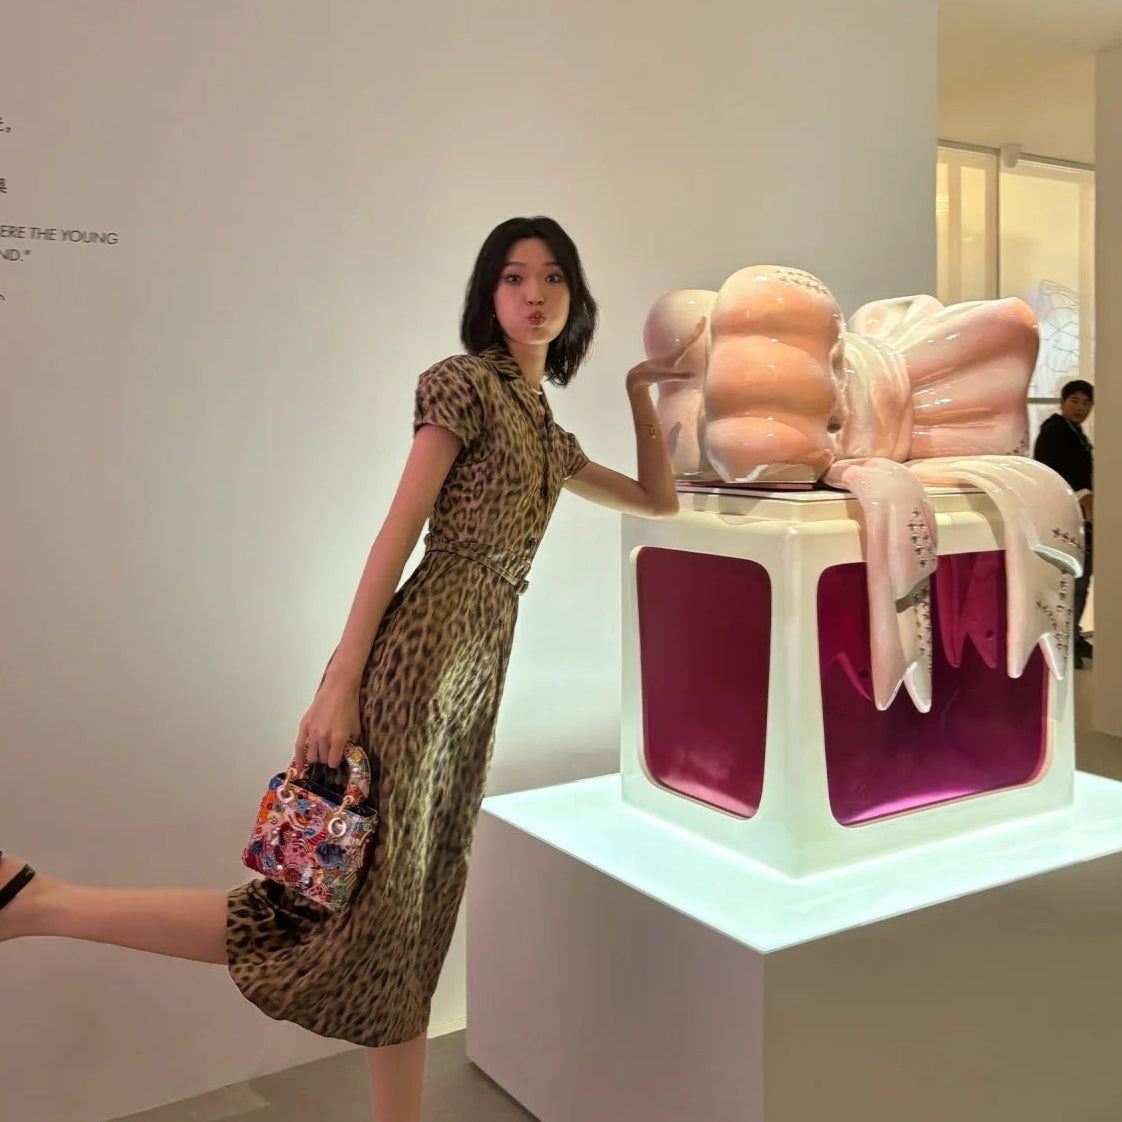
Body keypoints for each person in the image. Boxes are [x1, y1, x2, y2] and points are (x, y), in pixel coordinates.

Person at [0, 216, 704, 1122]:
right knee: (327, 913)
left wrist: (645, 388)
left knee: (405, 925)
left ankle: (36, 901)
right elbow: (397, 534)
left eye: (553, 277)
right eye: (513, 276)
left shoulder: (547, 433)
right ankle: (41, 903)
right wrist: (339, 683)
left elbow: (658, 501)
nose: (535, 294)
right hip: (418, 669)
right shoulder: (463, 386)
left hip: (470, 688)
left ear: (576, 297)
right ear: (488, 295)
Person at [1033, 378, 1094, 668]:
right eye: (1075, 401)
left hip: (1079, 517)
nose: (1080, 407)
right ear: (1062, 402)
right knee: (1073, 580)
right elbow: (1053, 473)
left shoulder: (1074, 432)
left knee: (1081, 579)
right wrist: (1084, 497)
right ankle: (1064, 641)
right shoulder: (1054, 432)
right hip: (1065, 518)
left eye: (1086, 403)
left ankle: (1072, 635)